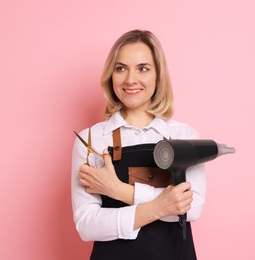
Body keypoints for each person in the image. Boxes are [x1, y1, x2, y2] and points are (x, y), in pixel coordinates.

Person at [71, 30, 206, 260]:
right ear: (111, 75)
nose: (130, 79)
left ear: (158, 75)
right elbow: (87, 225)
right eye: (121, 68)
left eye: (143, 68)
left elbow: (191, 209)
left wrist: (119, 191)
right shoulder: (92, 139)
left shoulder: (184, 137)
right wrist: (160, 206)